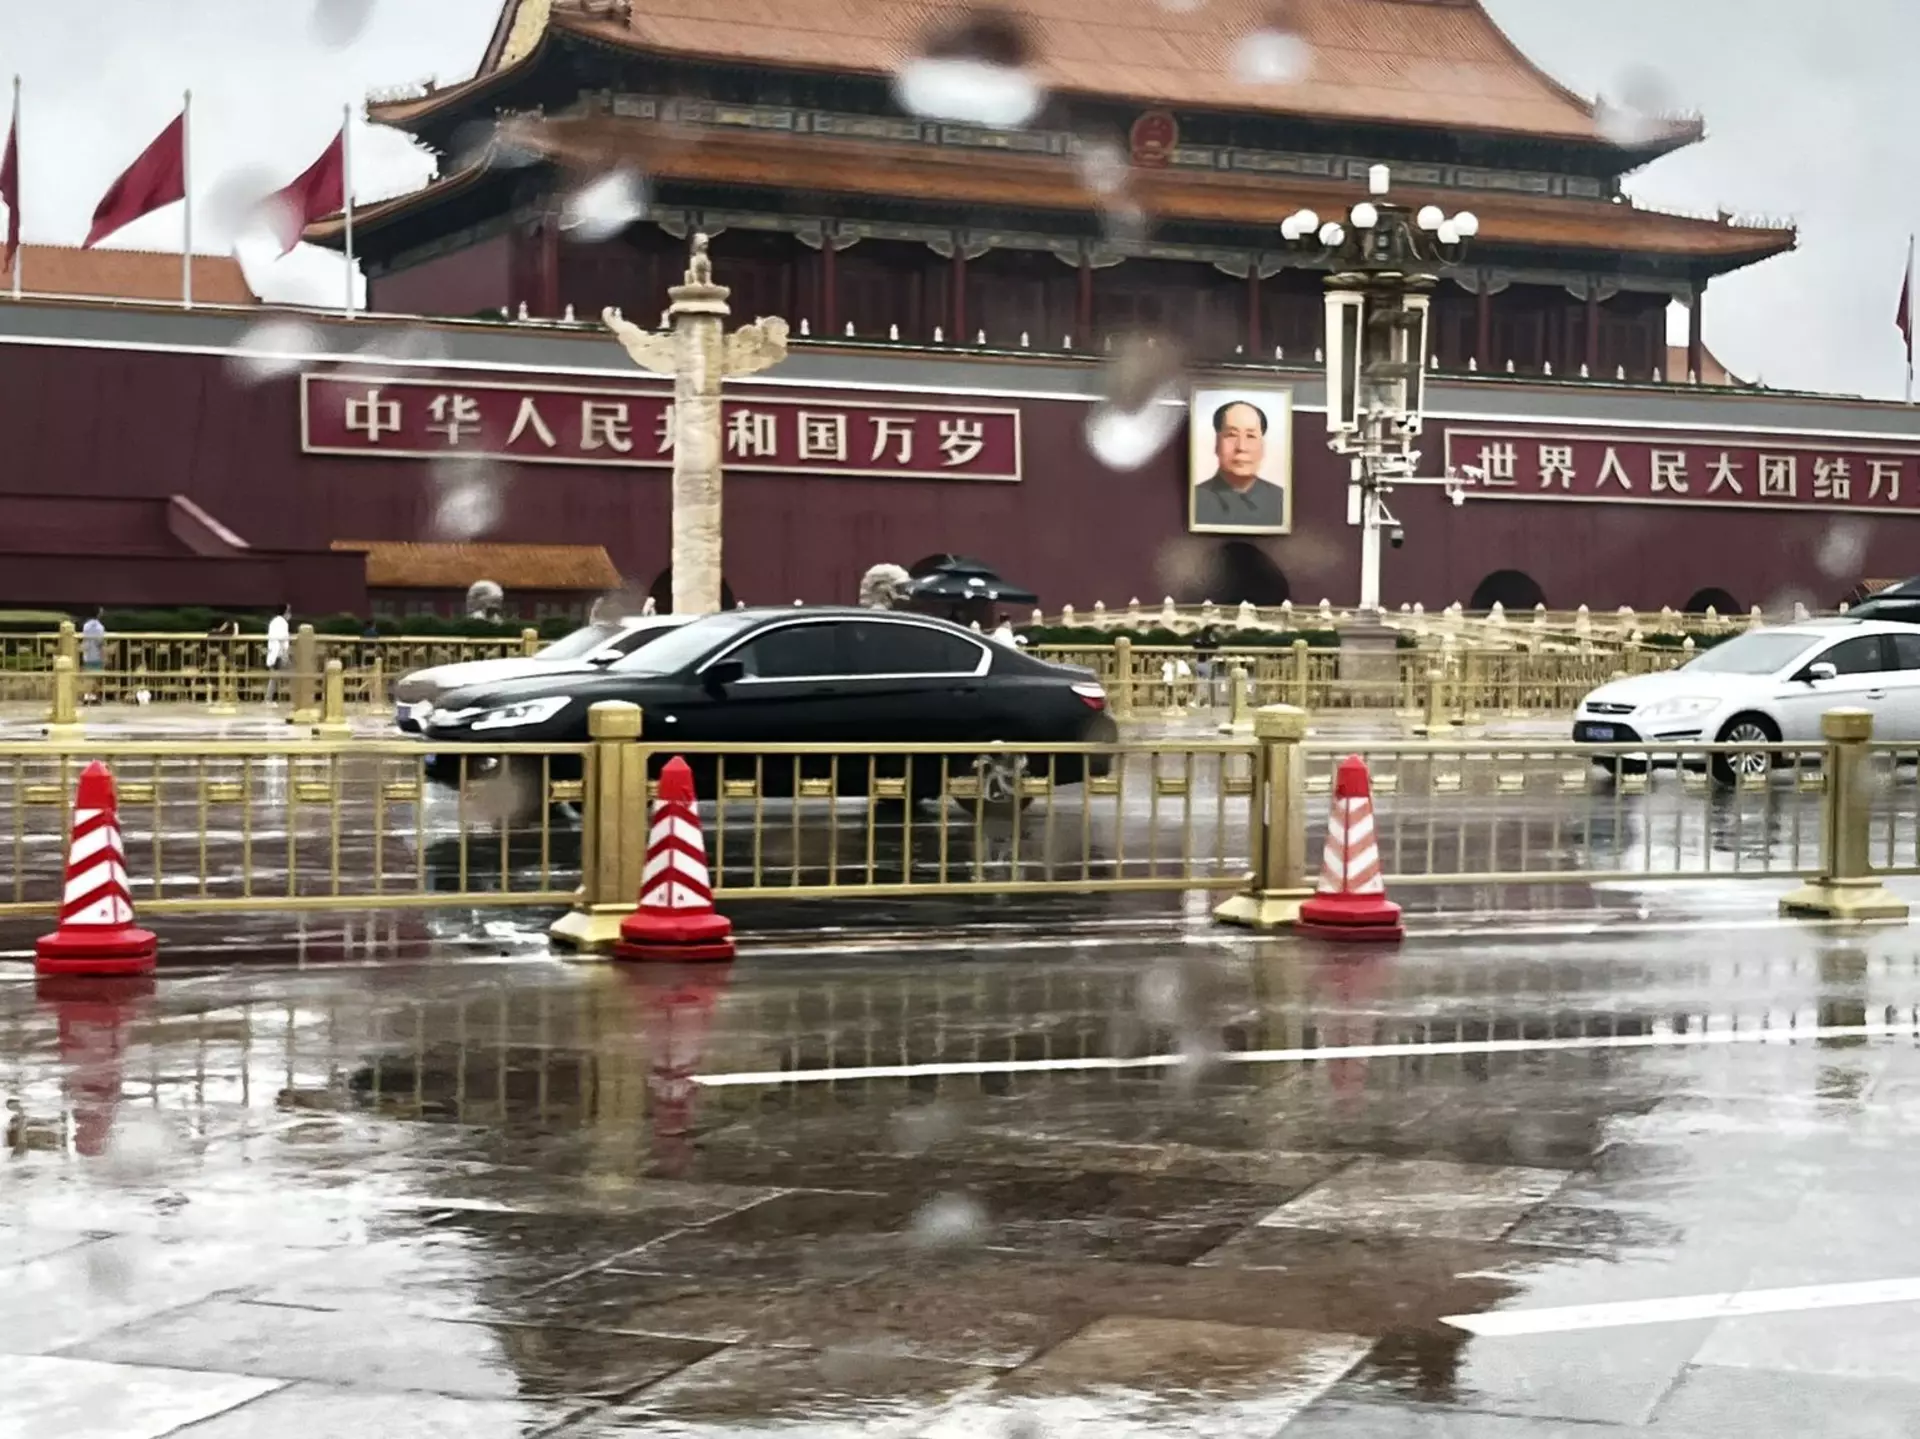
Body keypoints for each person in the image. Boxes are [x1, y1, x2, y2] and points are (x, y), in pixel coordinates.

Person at [1192, 400, 1286, 529]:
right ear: (1217, 443)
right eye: (1231, 435)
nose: (1241, 447)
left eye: (1251, 436)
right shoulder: (1194, 500)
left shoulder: (1282, 501)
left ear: (1263, 446)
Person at [265, 604, 292, 703]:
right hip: (279, 654)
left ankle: (269, 699)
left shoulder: (274, 621)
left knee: (275, 677)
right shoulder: (282, 623)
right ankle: (268, 699)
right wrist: (285, 654)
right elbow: (282, 639)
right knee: (292, 674)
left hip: (274, 653)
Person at [80, 609, 106, 705]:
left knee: (88, 676)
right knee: (96, 676)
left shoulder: (86, 626)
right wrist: (103, 654)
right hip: (96, 654)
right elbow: (100, 642)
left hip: (87, 653)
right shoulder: (100, 627)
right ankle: (94, 696)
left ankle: (87, 696)